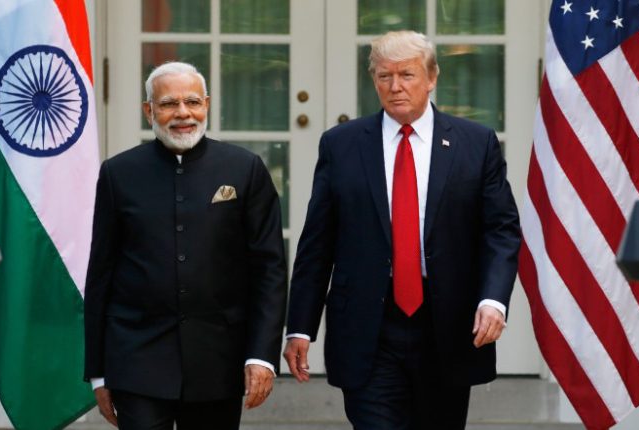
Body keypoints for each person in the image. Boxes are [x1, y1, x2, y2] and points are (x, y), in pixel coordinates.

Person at [283, 31, 521, 429]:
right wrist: (300, 327)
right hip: (368, 327)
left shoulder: (474, 143)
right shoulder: (341, 145)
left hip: (445, 322)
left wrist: (493, 300)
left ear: (432, 78)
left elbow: (501, 229)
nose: (395, 87)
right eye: (383, 76)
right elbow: (317, 243)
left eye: (407, 75)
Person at [84, 62, 287, 430]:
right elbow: (100, 273)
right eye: (168, 104)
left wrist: (262, 355)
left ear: (207, 104)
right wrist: (98, 372)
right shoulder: (118, 173)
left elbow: (269, 270)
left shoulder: (245, 169)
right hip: (137, 356)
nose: (182, 113)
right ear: (149, 111)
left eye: (192, 101)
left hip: (218, 357)